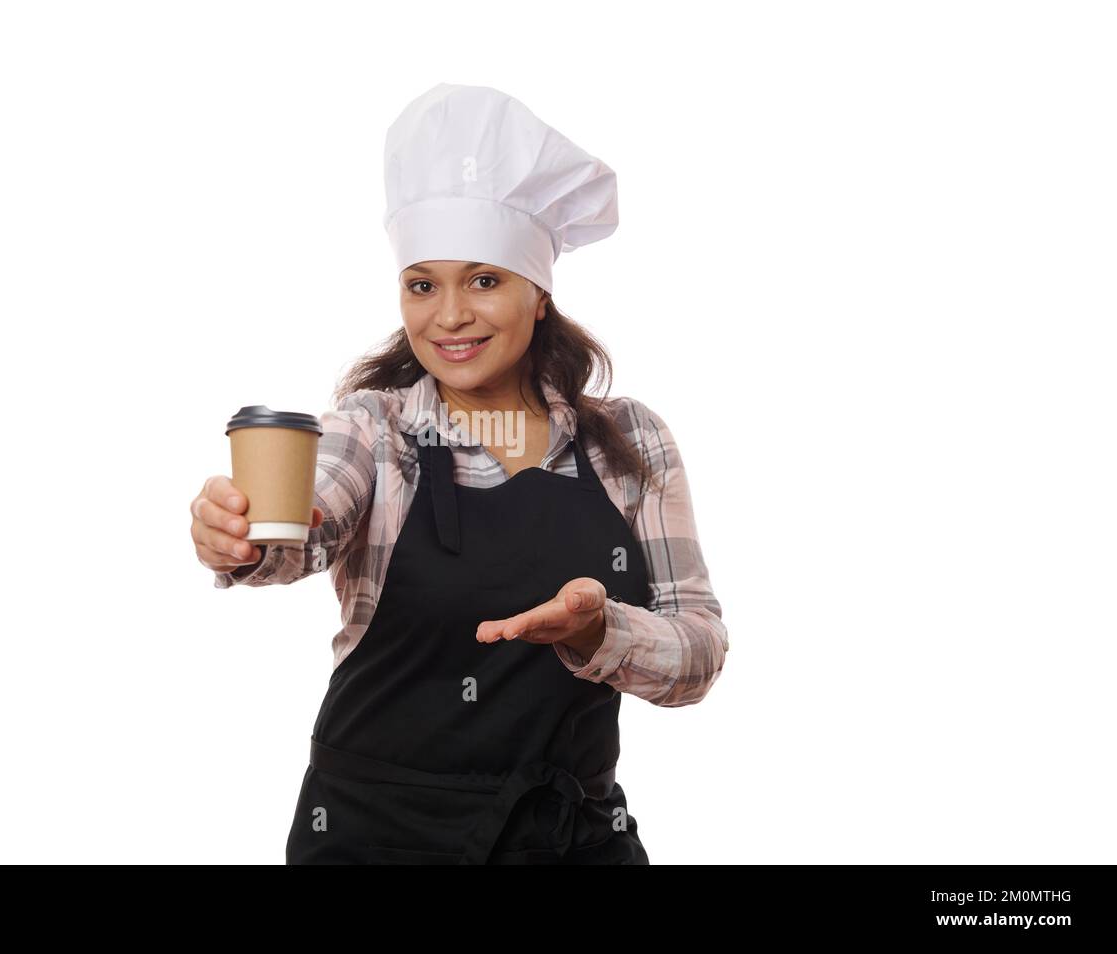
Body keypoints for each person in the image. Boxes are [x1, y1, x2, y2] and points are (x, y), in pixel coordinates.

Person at [189, 84, 729, 864]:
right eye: (422, 284)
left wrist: (599, 628)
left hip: (568, 838)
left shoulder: (629, 443)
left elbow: (700, 651)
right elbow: (302, 525)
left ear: (537, 294)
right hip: (374, 836)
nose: (448, 317)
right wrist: (241, 537)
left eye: (483, 280)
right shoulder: (376, 431)